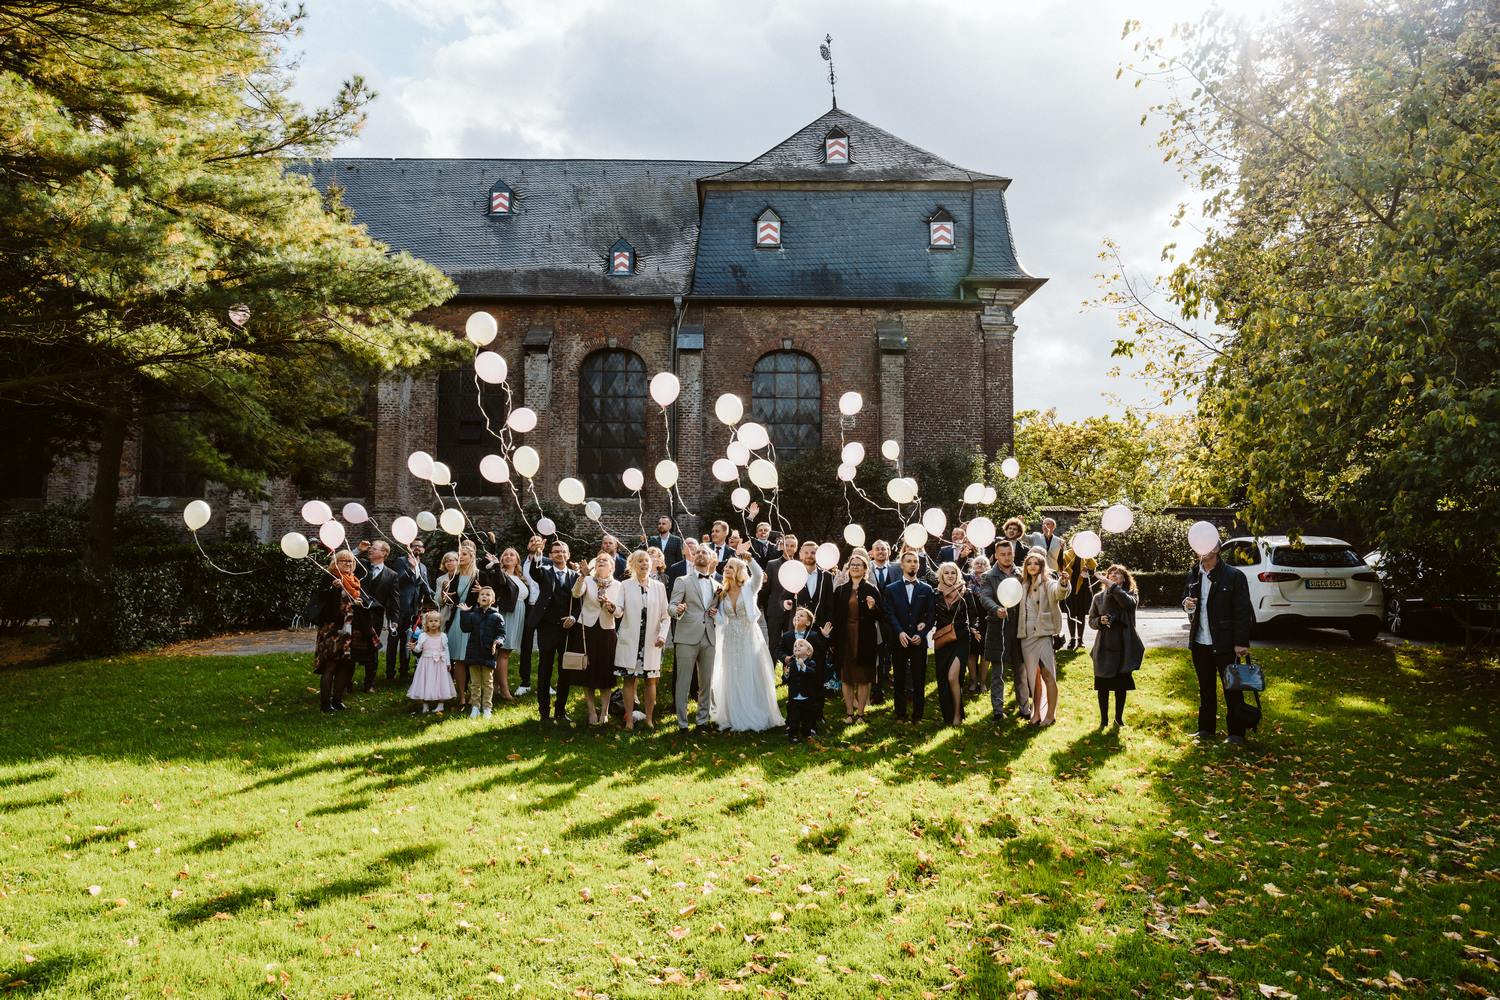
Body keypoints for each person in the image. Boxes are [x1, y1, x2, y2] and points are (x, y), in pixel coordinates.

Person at [1182, 540, 1253, 744]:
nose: (1200, 550)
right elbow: (1186, 601)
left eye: (1204, 545)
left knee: (1232, 688)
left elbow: (1242, 611)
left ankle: (1236, 733)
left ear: (1215, 549)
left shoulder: (1233, 575)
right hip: (1200, 642)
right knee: (1205, 688)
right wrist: (1186, 604)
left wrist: (1241, 642)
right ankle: (1205, 729)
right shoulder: (1194, 574)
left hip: (1225, 643)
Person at [709, 546, 784, 732]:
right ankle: (733, 713)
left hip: (749, 635)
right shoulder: (722, 593)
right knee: (731, 673)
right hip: (730, 638)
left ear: (739, 571)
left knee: (749, 671)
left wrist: (750, 560)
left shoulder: (749, 588)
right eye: (726, 567)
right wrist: (713, 615)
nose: (726, 570)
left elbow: (759, 576)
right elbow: (722, 620)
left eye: (731, 568)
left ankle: (752, 710)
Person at [314, 549, 379, 713]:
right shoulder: (330, 577)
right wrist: (333, 588)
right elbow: (320, 598)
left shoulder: (355, 581)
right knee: (331, 665)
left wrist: (360, 602)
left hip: (352, 629)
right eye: (343, 561)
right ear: (335, 563)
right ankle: (325, 703)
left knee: (347, 665)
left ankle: (337, 700)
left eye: (350, 561)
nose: (347, 564)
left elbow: (365, 601)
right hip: (333, 629)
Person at [822, 552, 882, 723]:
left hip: (865, 638)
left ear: (865, 569)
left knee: (863, 677)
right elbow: (833, 616)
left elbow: (881, 616)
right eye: (852, 564)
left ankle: (861, 714)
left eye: (858, 564)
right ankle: (849, 713)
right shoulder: (841, 590)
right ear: (848, 569)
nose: (855, 567)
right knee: (846, 676)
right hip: (845, 638)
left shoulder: (871, 589)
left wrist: (873, 608)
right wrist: (831, 638)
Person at [614, 550, 670, 730]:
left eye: (647, 561)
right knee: (629, 680)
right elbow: (619, 611)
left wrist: (662, 635)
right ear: (633, 565)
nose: (644, 564)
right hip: (631, 640)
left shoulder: (659, 587)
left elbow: (666, 616)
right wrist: (611, 608)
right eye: (640, 561)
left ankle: (649, 719)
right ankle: (629, 720)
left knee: (650, 680)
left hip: (651, 641)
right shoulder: (625, 585)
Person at [1018, 547, 1071, 727]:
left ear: (1042, 566)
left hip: (1043, 634)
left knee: (1048, 674)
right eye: (1029, 563)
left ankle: (1050, 714)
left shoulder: (1048, 583)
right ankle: (1036, 713)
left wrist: (1064, 583)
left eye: (1036, 563)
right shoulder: (1022, 585)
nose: (1033, 566)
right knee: (1033, 676)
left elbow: (1059, 592)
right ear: (1026, 567)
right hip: (1026, 637)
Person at [670, 544, 720, 729]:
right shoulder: (682, 581)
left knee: (707, 682)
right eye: (697, 552)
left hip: (709, 637)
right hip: (686, 637)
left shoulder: (718, 585)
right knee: (683, 681)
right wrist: (678, 610)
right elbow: (671, 606)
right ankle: (682, 723)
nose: (700, 554)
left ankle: (702, 721)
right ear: (693, 557)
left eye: (704, 552)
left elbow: (720, 611)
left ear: (711, 558)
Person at [884, 550, 936, 724]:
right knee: (899, 678)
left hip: (918, 642)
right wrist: (900, 632)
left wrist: (922, 634)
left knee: (919, 679)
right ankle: (900, 714)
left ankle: (918, 716)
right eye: (909, 561)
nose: (913, 564)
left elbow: (930, 616)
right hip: (899, 640)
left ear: (919, 565)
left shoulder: (927, 589)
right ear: (902, 565)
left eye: (915, 561)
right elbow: (889, 613)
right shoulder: (891, 589)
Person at [975, 541, 1025, 722]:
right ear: (996, 556)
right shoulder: (988, 576)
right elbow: (984, 596)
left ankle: (1024, 708)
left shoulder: (1022, 573)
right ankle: (998, 709)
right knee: (998, 672)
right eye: (1002, 554)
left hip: (1019, 629)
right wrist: (996, 609)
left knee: (1021, 671)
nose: (1007, 557)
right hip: (997, 627)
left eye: (1009, 553)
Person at [1089, 564, 1144, 728]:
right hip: (1105, 645)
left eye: (1118, 573)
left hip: (1124, 644)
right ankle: (1103, 720)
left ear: (1125, 578)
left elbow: (1129, 605)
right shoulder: (1098, 597)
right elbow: (1091, 620)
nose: (1113, 575)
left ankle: (1118, 719)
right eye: (1110, 573)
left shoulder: (1130, 594)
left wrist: (1112, 586)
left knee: (1121, 686)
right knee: (1103, 686)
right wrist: (1100, 621)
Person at [572, 552, 623, 726]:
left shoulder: (618, 586)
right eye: (599, 560)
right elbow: (576, 594)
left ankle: (605, 711)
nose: (601, 562)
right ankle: (591, 710)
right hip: (586, 629)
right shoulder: (587, 580)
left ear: (612, 567)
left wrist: (610, 606)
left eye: (605, 561)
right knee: (588, 671)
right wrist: (582, 575)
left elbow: (619, 613)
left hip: (607, 631)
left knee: (606, 672)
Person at [533, 540, 581, 724]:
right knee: (544, 670)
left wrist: (574, 618)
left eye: (563, 551)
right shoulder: (544, 571)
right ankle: (544, 712)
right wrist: (538, 552)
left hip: (568, 629)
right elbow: (533, 572)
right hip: (547, 627)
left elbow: (580, 603)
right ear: (551, 555)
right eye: (556, 552)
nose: (560, 554)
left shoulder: (576, 576)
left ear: (568, 555)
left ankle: (560, 710)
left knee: (565, 671)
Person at [932, 561, 978, 727]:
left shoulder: (966, 593)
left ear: (958, 574)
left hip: (961, 638)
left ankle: (958, 714)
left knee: (953, 677)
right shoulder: (936, 594)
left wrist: (974, 628)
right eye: (946, 573)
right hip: (943, 640)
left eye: (953, 572)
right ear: (941, 575)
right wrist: (922, 625)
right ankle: (948, 715)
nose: (950, 575)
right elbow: (931, 616)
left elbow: (974, 616)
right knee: (943, 679)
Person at [435, 546, 478, 710]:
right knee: (459, 659)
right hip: (458, 619)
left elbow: (491, 593)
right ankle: (461, 696)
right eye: (459, 555)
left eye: (464, 555)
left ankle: (474, 695)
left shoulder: (479, 575)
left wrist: (483, 590)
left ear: (472, 557)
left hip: (474, 619)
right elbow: (448, 601)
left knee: (474, 659)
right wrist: (446, 593)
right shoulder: (455, 577)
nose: (460, 557)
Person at [492, 547, 536, 703]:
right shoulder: (500, 575)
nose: (508, 557)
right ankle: (505, 691)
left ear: (518, 560)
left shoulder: (521, 577)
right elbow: (500, 583)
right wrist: (496, 565)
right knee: (504, 652)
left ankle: (496, 687)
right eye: (505, 555)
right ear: (501, 559)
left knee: (504, 653)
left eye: (512, 555)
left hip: (519, 613)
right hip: (507, 614)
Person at [356, 540, 400, 691]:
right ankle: (346, 683)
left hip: (375, 618)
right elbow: (343, 561)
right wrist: (358, 550)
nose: (370, 550)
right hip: (356, 614)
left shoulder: (392, 575)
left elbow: (394, 600)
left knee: (372, 649)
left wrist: (394, 620)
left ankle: (370, 684)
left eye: (374, 548)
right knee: (351, 647)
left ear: (384, 553)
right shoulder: (361, 565)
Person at [459, 586, 506, 718]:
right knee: (475, 683)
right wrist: (464, 613)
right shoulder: (473, 615)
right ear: (478, 599)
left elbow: (501, 634)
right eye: (482, 595)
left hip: (488, 653)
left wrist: (498, 641)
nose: (484, 596)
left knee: (487, 682)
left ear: (493, 599)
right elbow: (465, 628)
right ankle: (475, 707)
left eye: (488, 595)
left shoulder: (497, 616)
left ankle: (487, 707)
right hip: (473, 652)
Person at [391, 538, 433, 683]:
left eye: (420, 546)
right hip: (398, 609)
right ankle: (390, 673)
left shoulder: (423, 567)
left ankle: (404, 671)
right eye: (414, 546)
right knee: (394, 641)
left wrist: (438, 596)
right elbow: (398, 582)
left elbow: (425, 587)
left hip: (414, 610)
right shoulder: (400, 561)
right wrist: (410, 568)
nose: (417, 548)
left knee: (408, 641)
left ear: (423, 550)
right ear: (409, 548)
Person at [516, 534, 549, 697]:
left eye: (537, 541)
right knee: (526, 646)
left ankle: (546, 682)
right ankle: (525, 682)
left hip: (545, 609)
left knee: (546, 647)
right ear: (527, 545)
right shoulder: (520, 564)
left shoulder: (548, 563)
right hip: (528, 607)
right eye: (531, 540)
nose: (534, 543)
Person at [867, 539, 899, 703]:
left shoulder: (897, 568)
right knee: (876, 653)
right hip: (873, 618)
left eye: (883, 549)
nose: (880, 552)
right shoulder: (867, 569)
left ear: (888, 552)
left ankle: (889, 679)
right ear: (871, 552)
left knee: (892, 651)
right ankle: (876, 690)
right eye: (877, 549)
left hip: (893, 617)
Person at [407, 610, 456, 714]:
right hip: (426, 663)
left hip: (440, 663)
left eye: (436, 621)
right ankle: (425, 705)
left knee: (440, 683)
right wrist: (413, 647)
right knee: (425, 682)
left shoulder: (443, 636)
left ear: (440, 623)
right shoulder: (423, 636)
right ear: (426, 623)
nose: (433, 623)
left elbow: (445, 650)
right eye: (431, 621)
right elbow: (419, 649)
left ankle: (441, 704)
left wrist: (448, 662)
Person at [762, 533, 801, 647]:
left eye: (792, 546)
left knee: (792, 644)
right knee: (774, 644)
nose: (789, 548)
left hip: (794, 612)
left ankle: (788, 665)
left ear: (796, 548)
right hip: (775, 611)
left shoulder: (800, 566)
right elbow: (766, 591)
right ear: (782, 546)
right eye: (787, 545)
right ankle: (772, 665)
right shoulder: (772, 564)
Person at [784, 638, 822, 743]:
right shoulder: (791, 665)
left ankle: (807, 733)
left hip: (807, 696)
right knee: (794, 717)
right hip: (794, 696)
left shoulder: (811, 663)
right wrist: (786, 675)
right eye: (795, 646)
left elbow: (813, 674)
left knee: (807, 717)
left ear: (808, 652)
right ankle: (793, 734)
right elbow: (786, 680)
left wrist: (803, 666)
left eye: (800, 646)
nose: (797, 647)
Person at [1061, 545, 1098, 651]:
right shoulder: (1066, 554)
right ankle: (1072, 639)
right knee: (1071, 614)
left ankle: (1080, 639)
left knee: (1081, 614)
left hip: (1083, 588)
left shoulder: (1087, 555)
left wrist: (1088, 570)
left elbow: (1092, 572)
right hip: (1070, 587)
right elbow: (1060, 567)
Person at [778, 606, 827, 684]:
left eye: (801, 615)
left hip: (809, 675)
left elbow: (821, 651)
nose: (797, 617)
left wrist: (824, 636)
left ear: (808, 623)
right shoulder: (786, 636)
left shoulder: (814, 635)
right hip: (792, 675)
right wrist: (784, 657)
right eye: (796, 615)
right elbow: (779, 651)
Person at [964, 555, 991, 695]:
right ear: (973, 566)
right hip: (971, 618)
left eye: (983, 563)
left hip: (988, 620)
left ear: (988, 567)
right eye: (977, 563)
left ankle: (983, 681)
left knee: (985, 652)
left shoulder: (991, 581)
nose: (980, 565)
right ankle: (974, 680)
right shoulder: (966, 580)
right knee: (972, 651)